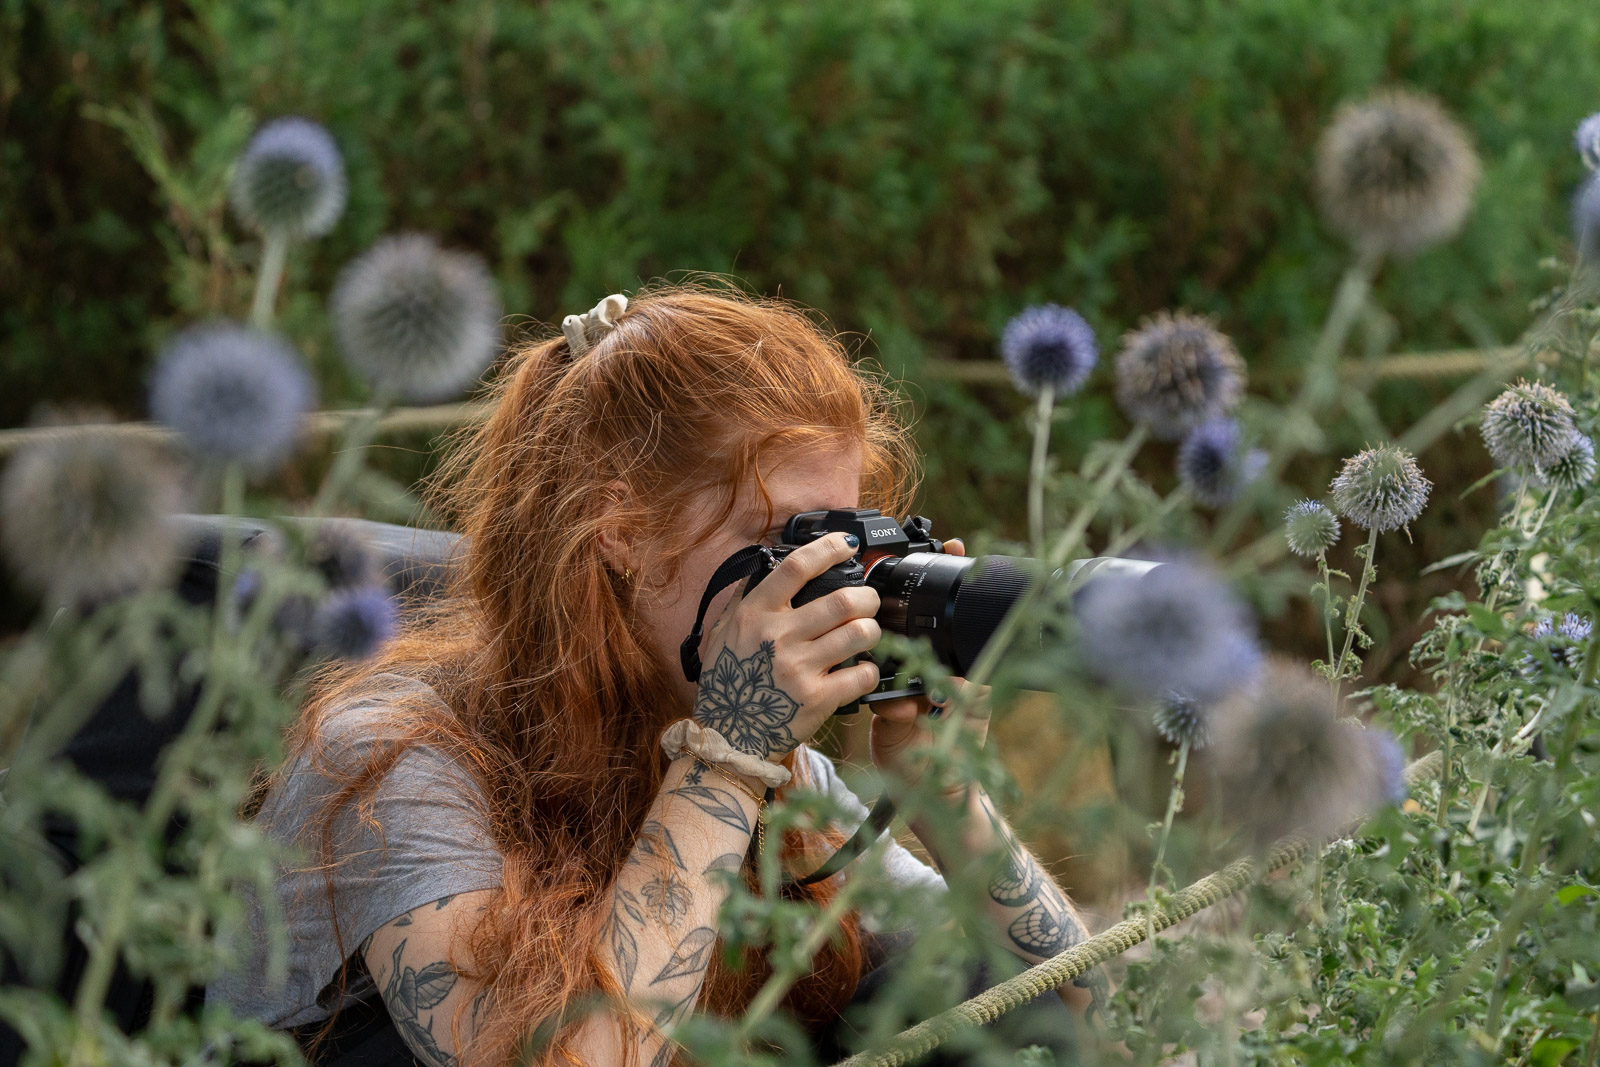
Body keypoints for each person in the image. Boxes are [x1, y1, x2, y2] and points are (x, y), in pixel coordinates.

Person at [207, 286, 1102, 1067]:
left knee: (955, 986)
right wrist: (729, 756)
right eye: (789, 542)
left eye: (849, 540)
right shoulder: (392, 761)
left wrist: (950, 793)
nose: (830, 589)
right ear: (621, 531)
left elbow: (1078, 1024)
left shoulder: (784, 789)